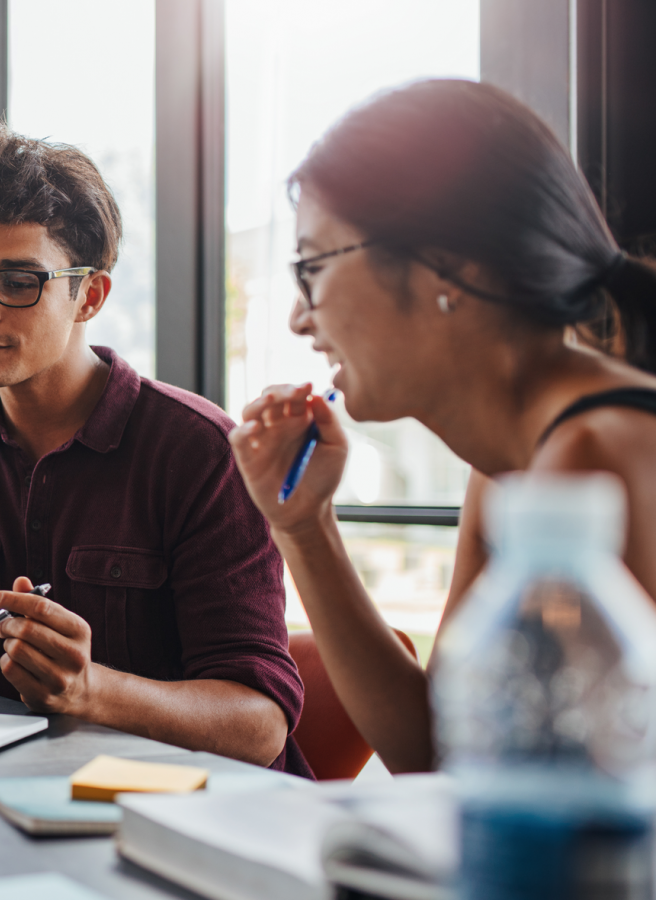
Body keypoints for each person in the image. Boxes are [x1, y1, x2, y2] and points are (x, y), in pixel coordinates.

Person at [229, 79, 656, 775]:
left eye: (313, 268)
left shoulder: (595, 453)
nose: (299, 319)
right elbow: (437, 753)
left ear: (445, 267)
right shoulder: (510, 464)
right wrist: (301, 526)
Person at [0, 123, 308, 774]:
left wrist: (93, 691)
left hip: (191, 822)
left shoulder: (200, 452)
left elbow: (261, 727)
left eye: (18, 283)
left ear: (89, 295)